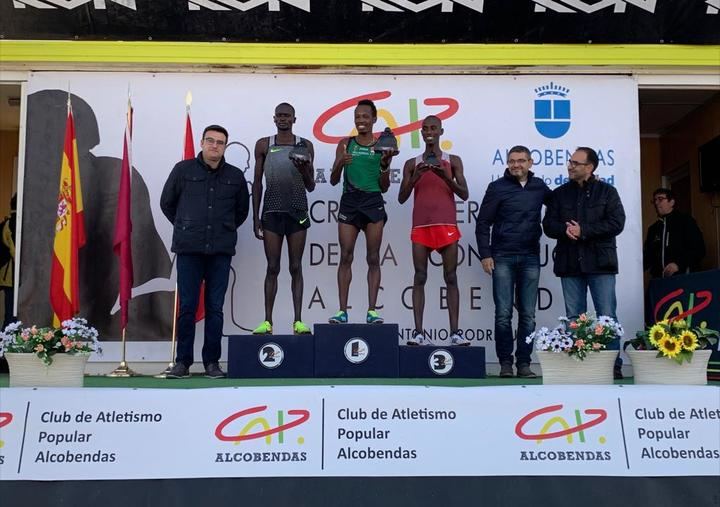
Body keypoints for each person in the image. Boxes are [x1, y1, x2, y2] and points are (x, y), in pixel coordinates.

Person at [161, 125, 249, 378]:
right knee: (187, 307)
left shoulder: (234, 176)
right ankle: (183, 363)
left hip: (220, 251)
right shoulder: (183, 170)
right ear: (201, 143)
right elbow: (167, 203)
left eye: (220, 142)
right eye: (210, 140)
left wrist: (223, 229)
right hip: (189, 249)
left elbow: (241, 211)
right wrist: (186, 226)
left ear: (225, 147)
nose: (214, 146)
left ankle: (212, 362)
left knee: (215, 308)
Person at [543, 147, 625, 378]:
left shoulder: (607, 192)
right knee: (574, 317)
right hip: (570, 263)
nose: (570, 166)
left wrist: (584, 231)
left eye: (576, 163)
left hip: (600, 263)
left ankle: (611, 365)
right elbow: (548, 225)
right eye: (570, 162)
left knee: (607, 315)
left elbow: (617, 223)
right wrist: (565, 230)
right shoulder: (559, 194)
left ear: (590, 167)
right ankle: (578, 363)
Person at [475, 146, 551, 377]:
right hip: (503, 257)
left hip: (530, 257)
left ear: (530, 162)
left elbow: (562, 203)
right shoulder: (497, 188)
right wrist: (486, 255)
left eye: (520, 160)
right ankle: (505, 363)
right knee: (503, 313)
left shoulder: (540, 187)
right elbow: (482, 224)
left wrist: (591, 184)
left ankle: (524, 363)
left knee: (528, 314)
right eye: (512, 161)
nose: (516, 165)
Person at [398, 116, 470, 346]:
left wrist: (443, 176)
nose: (429, 132)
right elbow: (401, 198)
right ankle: (419, 333)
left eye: (433, 128)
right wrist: (416, 177)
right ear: (421, 132)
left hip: (446, 225)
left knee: (451, 277)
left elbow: (464, 193)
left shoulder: (453, 160)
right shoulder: (412, 163)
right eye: (425, 129)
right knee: (420, 276)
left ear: (441, 131)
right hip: (421, 226)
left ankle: (455, 334)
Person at [251, 103, 316, 335]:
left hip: (297, 212)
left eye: (287, 116)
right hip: (271, 212)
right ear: (274, 118)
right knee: (272, 267)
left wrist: (303, 168)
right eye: (279, 115)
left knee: (296, 266)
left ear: (294, 119)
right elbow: (257, 183)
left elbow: (310, 185)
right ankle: (267, 322)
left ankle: (298, 321)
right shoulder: (264, 145)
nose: (283, 119)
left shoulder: (305, 146)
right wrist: (255, 217)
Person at [328, 99, 394, 324]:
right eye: (357, 116)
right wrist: (340, 163)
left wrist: (385, 165)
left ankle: (372, 310)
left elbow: (385, 187)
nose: (361, 120)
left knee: (373, 257)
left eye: (365, 116)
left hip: (373, 201)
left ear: (374, 119)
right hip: (349, 202)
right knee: (345, 256)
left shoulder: (382, 145)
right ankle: (342, 311)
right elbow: (333, 179)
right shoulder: (345, 144)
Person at [643, 187, 705, 279]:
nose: (656, 203)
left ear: (671, 202)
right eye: (654, 200)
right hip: (659, 281)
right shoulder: (653, 229)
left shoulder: (685, 221)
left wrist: (678, 264)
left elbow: (699, 250)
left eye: (660, 199)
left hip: (683, 278)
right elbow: (648, 257)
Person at [0, 193, 17, 330]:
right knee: (12, 317)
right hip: (13, 276)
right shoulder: (14, 224)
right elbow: (14, 251)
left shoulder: (6, 223)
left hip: (7, 277)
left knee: (10, 315)